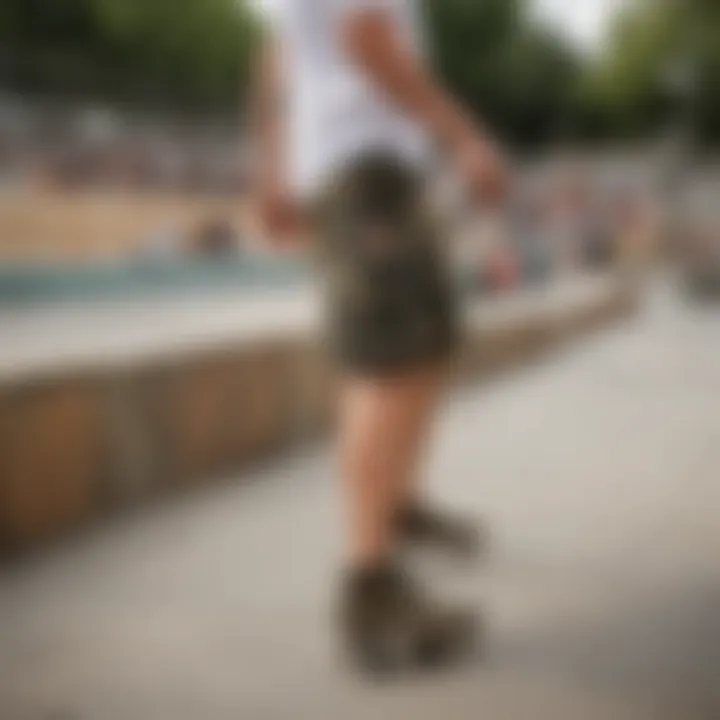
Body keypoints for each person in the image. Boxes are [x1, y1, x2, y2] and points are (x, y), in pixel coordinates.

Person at [249, 0, 508, 673]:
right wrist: (465, 136)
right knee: (389, 367)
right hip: (366, 171)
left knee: (419, 350)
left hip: (363, 166)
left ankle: (397, 507)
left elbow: (277, 54)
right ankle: (371, 591)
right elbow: (364, 34)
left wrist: (274, 170)